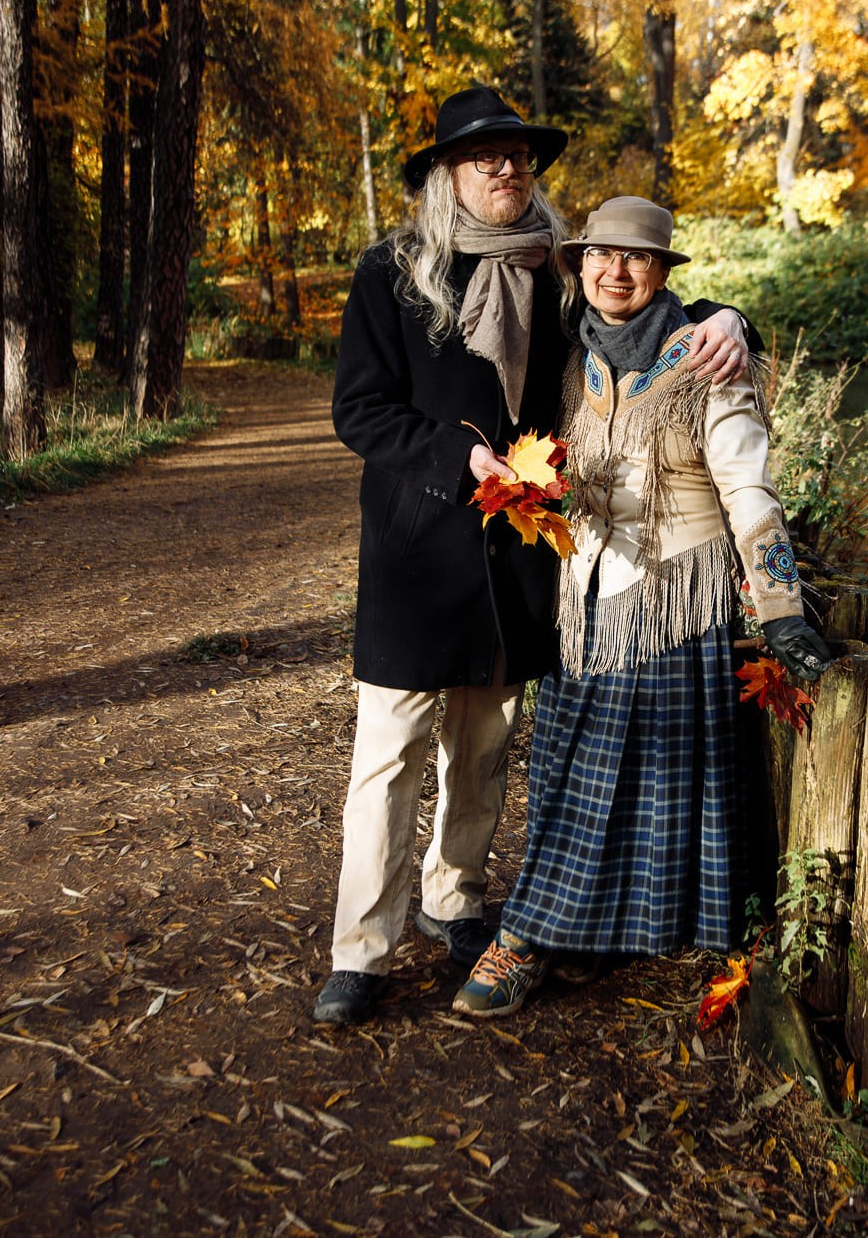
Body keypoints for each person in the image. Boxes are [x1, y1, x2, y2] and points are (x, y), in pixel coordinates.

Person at [316, 89, 757, 1026]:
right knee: (388, 755)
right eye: (486, 159)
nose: (508, 171)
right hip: (416, 555)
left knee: (481, 749)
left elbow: (639, 304)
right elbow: (358, 410)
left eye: (519, 157)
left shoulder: (556, 273)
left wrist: (731, 320)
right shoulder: (393, 272)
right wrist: (455, 459)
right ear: (447, 174)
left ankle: (454, 899)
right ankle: (359, 947)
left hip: (521, 559)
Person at [452, 196, 833, 1018]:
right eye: (597, 255)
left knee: (614, 779)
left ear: (661, 272)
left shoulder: (707, 359)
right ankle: (589, 932)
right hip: (579, 606)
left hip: (668, 604)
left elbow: (749, 490)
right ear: (577, 264)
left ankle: (526, 935)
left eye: (634, 258)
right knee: (565, 780)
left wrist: (781, 611)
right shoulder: (571, 359)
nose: (613, 272)